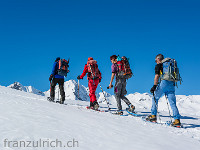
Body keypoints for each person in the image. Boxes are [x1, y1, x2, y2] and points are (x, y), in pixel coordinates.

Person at [147, 54, 181, 127]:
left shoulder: (160, 65)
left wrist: (154, 86)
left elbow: (157, 76)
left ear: (159, 59)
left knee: (155, 98)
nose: (155, 62)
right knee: (172, 103)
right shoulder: (170, 64)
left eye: (156, 60)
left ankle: (153, 116)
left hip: (164, 83)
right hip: (172, 84)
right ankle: (177, 120)